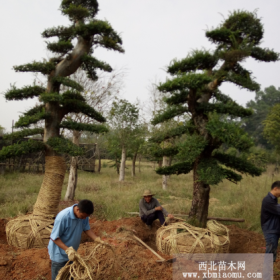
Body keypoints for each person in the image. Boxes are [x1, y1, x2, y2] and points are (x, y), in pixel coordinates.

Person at [48, 199, 103, 280]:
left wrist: (96, 239)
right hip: (59, 255)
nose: (84, 219)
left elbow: (86, 228)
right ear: (77, 209)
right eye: (83, 216)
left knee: (71, 277)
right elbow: (54, 238)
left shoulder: (84, 216)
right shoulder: (63, 217)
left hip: (73, 255)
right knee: (59, 278)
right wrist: (68, 250)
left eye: (86, 217)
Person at [261, 181, 280, 263]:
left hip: (274, 229)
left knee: (272, 253)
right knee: (270, 254)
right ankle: (267, 275)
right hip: (270, 230)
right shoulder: (268, 200)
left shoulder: (273, 200)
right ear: (275, 189)